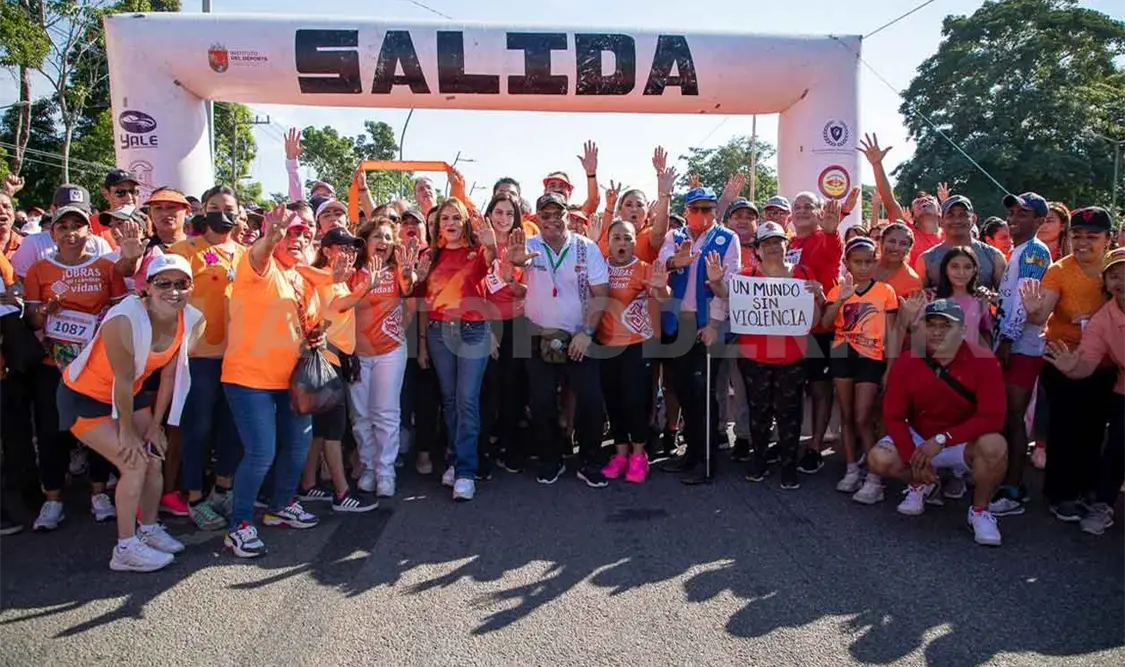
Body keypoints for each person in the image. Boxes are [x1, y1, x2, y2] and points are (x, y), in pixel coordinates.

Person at [59, 254, 204, 570]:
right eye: (163, 283)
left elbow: (169, 374)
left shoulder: (192, 319)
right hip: (84, 396)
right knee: (135, 463)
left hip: (131, 392)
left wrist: (155, 425)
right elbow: (121, 381)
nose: (173, 291)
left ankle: (148, 529)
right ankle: (124, 549)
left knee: (153, 458)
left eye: (182, 283)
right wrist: (126, 430)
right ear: (147, 288)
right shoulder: (123, 318)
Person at [222, 205, 326, 558]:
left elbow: (307, 328)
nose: (296, 238)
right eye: (290, 233)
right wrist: (270, 239)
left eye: (302, 234)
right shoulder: (259, 266)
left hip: (290, 380)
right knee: (261, 452)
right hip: (249, 379)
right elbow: (259, 253)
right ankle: (239, 526)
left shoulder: (300, 278)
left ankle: (281, 506)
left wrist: (318, 337)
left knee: (298, 447)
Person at [867, 299, 1008, 546]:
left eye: (946, 325)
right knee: (879, 457)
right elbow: (894, 416)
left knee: (995, 446)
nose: (937, 332)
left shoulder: (984, 360)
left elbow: (993, 417)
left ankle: (980, 511)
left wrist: (943, 440)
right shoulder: (908, 360)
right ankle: (919, 483)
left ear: (963, 330)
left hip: (960, 441)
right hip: (921, 437)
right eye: (931, 325)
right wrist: (913, 456)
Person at [24, 202, 128, 530]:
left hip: (95, 364)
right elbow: (31, 319)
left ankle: (99, 493)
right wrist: (46, 312)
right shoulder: (39, 270)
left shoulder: (106, 268)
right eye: (63, 227)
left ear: (88, 231)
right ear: (52, 232)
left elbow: (119, 312)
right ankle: (53, 500)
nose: (71, 233)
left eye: (78, 226)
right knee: (51, 430)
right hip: (52, 363)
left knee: (98, 426)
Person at [508, 193, 610, 487]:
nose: (552, 220)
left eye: (558, 213)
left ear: (568, 214)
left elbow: (601, 294)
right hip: (539, 335)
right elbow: (515, 290)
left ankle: (589, 460)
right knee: (541, 403)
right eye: (546, 214)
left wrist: (586, 333)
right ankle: (550, 459)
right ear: (537, 218)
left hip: (579, 336)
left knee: (591, 400)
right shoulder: (527, 246)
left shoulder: (586, 248)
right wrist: (515, 266)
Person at [1020, 206, 1114, 522]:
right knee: (1065, 429)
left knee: (1094, 429)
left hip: (1106, 365)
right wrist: (1033, 311)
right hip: (1062, 361)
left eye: (1093, 236)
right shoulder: (1059, 270)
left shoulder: (1117, 269)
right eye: (1077, 236)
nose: (1084, 243)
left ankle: (1089, 488)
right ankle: (1060, 494)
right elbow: (1040, 313)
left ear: (1108, 239)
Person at [168, 185, 246, 530]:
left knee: (232, 425)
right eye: (213, 206)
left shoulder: (247, 254)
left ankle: (223, 489)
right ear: (203, 211)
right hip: (197, 355)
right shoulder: (185, 250)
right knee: (197, 427)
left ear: (239, 213)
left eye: (228, 207)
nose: (221, 212)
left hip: (238, 356)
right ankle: (195, 497)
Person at [657, 187, 740, 485]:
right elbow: (663, 260)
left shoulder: (728, 239)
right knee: (682, 391)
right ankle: (690, 452)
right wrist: (674, 262)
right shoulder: (675, 236)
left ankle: (707, 462)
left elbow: (727, 286)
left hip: (707, 326)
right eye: (696, 209)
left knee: (703, 394)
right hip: (677, 324)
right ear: (688, 210)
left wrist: (715, 325)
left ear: (716, 211)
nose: (702, 215)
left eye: (708, 209)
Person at [417, 198, 496, 501]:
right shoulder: (429, 256)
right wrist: (423, 343)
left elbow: (490, 260)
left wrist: (491, 247)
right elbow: (421, 299)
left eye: (455, 218)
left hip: (472, 330)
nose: (449, 223)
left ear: (465, 222)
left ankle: (465, 470)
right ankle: (452, 458)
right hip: (438, 333)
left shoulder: (476, 253)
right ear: (437, 225)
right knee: (449, 401)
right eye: (444, 218)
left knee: (467, 400)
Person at [299, 227, 381, 513]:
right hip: (325, 362)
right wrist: (366, 287)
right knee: (333, 432)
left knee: (322, 432)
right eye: (342, 247)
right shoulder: (321, 278)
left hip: (334, 361)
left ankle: (308, 484)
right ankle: (341, 492)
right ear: (325, 250)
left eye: (352, 248)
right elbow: (339, 306)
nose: (349, 253)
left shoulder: (335, 279)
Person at [736, 222, 824, 488]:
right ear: (758, 250)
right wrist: (717, 281)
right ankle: (759, 461)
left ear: (787, 245)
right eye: (767, 243)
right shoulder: (747, 276)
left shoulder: (803, 274)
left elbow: (813, 321)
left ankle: (788, 465)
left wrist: (818, 298)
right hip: (754, 358)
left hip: (792, 358)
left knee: (790, 413)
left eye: (778, 242)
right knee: (758, 412)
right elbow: (728, 301)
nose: (773, 247)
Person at [1044, 247, 1125, 535]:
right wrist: (1069, 368)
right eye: (1114, 275)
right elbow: (1086, 367)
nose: (1121, 281)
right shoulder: (1103, 320)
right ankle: (1103, 504)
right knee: (1117, 442)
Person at [821, 236, 898, 503]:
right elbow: (826, 322)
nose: (863, 267)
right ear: (848, 263)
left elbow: (891, 331)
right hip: (843, 354)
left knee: (863, 416)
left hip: (872, 357)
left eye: (868, 262)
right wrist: (841, 300)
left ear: (875, 262)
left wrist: (890, 365)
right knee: (846, 413)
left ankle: (874, 477)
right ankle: (852, 467)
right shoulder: (838, 290)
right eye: (858, 262)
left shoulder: (885, 291)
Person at [990, 193, 1051, 515]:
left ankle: (1013, 489)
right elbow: (1011, 299)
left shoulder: (1035, 252)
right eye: (1012, 212)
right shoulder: (1018, 250)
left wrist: (1007, 342)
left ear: (1040, 221)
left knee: (1013, 417)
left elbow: (1026, 304)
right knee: (1005, 416)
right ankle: (1007, 480)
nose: (1014, 218)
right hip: (1012, 344)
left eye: (1024, 213)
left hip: (1022, 348)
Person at [598, 219, 670, 484]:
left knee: (634, 402)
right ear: (608, 241)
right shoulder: (599, 267)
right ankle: (620, 454)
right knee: (614, 402)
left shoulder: (643, 268)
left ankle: (639, 456)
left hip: (636, 345)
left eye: (628, 238)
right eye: (617, 238)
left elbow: (663, 297)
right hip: (605, 346)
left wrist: (661, 286)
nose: (623, 243)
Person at [349, 218, 417, 497]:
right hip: (357, 355)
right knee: (360, 416)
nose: (384, 242)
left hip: (390, 351)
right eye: (378, 236)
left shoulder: (396, 271)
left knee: (386, 414)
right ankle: (367, 468)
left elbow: (410, 287)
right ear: (365, 241)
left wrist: (409, 273)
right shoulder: (352, 272)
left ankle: (385, 472)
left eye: (389, 238)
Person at [786, 192, 844, 474]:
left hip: (820, 328)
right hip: (791, 328)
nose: (802, 210)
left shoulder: (827, 237)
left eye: (809, 206)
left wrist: (832, 229)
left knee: (820, 390)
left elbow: (833, 247)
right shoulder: (789, 243)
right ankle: (791, 441)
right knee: (793, 388)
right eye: (797, 206)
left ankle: (815, 446)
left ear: (821, 212)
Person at [477, 193, 530, 475]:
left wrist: (513, 275)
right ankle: (482, 451)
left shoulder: (520, 246)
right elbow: (474, 288)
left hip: (517, 323)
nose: (503, 219)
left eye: (510, 214)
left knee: (512, 389)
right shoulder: (480, 244)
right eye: (499, 212)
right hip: (485, 323)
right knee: (488, 390)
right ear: (489, 213)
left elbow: (524, 291)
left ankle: (509, 447)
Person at [716, 197, 758, 460]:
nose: (742, 220)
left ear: (757, 222)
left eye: (748, 216)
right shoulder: (719, 245)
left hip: (749, 326)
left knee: (742, 384)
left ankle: (744, 435)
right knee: (717, 381)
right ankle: (719, 429)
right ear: (728, 221)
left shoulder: (764, 249)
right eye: (737, 215)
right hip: (718, 320)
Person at [857, 134, 943, 263]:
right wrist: (877, 165)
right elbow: (889, 201)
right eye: (918, 202)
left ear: (940, 211)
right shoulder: (906, 232)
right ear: (912, 217)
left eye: (930, 200)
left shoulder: (951, 235)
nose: (924, 201)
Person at [10, 185, 113, 279]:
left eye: (81, 211)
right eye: (66, 210)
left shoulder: (100, 244)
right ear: (53, 210)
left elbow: (110, 278)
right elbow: (19, 281)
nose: (73, 216)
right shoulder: (33, 243)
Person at [917, 195, 1006, 291]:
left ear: (974, 219)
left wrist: (990, 297)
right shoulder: (926, 259)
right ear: (940, 221)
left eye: (963, 215)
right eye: (950, 215)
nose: (957, 220)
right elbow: (919, 299)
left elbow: (1006, 298)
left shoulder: (994, 256)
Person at [930, 248, 993, 348]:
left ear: (974, 270)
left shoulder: (980, 300)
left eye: (967, 267)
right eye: (955, 267)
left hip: (969, 360)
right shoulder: (931, 297)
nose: (961, 272)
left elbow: (985, 334)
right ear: (945, 269)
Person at [873, 221, 922, 300]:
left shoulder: (912, 281)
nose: (896, 248)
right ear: (881, 242)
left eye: (903, 244)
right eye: (892, 241)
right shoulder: (865, 266)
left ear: (909, 248)